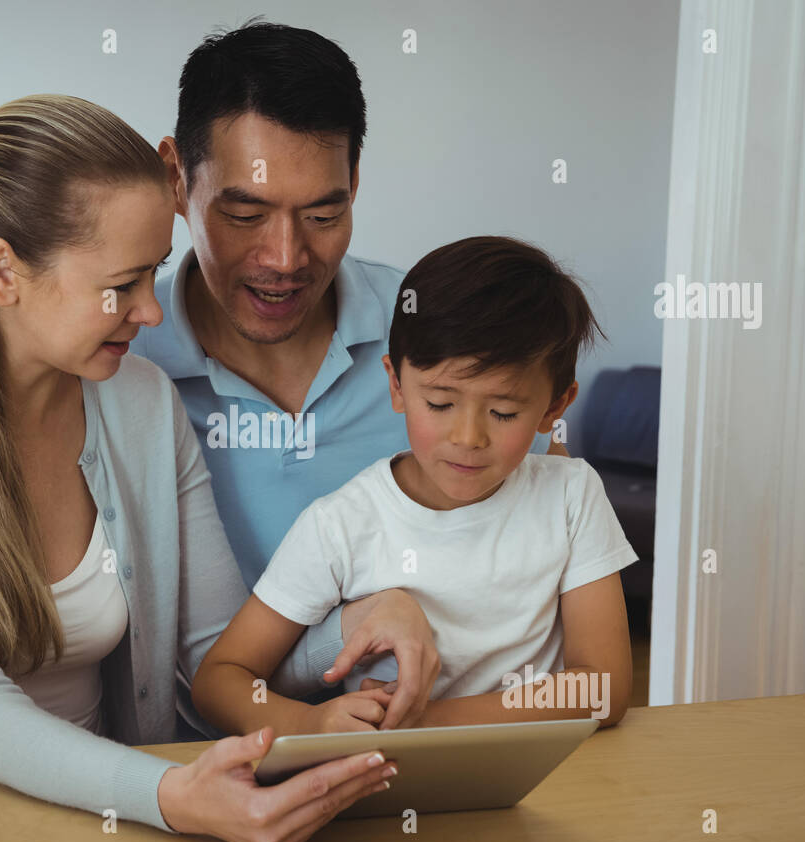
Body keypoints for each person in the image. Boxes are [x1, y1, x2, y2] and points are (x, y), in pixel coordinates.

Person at [0, 93, 397, 842]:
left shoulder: (140, 401)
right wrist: (170, 797)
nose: (151, 312)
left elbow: (216, 650)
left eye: (157, 275)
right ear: (3, 270)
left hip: (99, 822)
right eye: (125, 282)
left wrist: (362, 626)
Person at [135, 19, 565, 725]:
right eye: (244, 213)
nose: (285, 257)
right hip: (200, 769)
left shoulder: (440, 339)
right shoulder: (119, 364)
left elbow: (550, 549)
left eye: (324, 213)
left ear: (355, 183)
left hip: (436, 772)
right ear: (175, 177)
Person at [192, 236, 638, 735]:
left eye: (503, 412)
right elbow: (220, 680)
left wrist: (423, 723)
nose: (468, 438)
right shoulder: (341, 524)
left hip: (548, 780)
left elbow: (604, 686)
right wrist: (312, 726)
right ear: (397, 385)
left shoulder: (571, 495)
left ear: (554, 407)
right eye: (441, 404)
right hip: (386, 780)